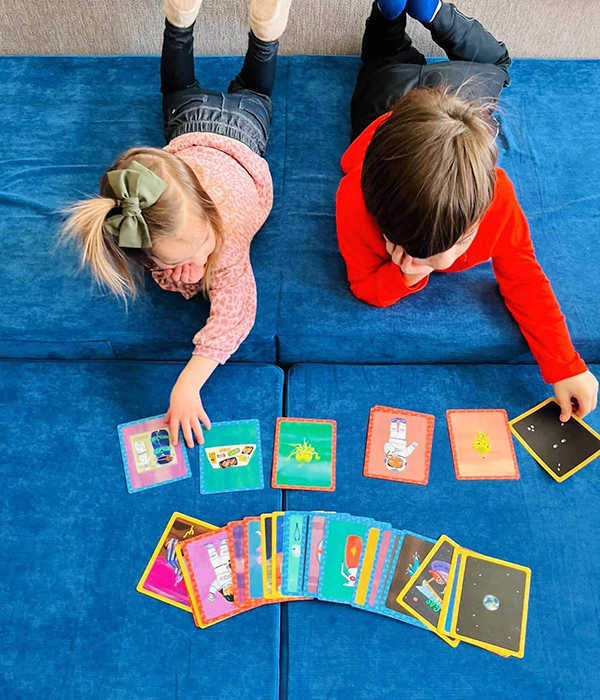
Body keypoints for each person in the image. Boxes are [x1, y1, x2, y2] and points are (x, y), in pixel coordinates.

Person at [336, 0, 598, 421]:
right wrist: (409, 273)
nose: (445, 262)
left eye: (458, 243)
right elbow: (364, 285)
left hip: (452, 98)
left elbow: (523, 276)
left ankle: (425, 12)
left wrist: (565, 364)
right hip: (386, 111)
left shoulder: (498, 196)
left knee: (495, 62)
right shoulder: (354, 197)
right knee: (386, 60)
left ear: (480, 212)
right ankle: (393, 15)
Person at [62, 0, 292, 447]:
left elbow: (236, 316)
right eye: (180, 260)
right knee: (178, 86)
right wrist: (178, 274)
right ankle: (182, 24)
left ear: (209, 207)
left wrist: (188, 383)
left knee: (258, 91)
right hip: (188, 127)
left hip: (245, 133)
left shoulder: (224, 242)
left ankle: (260, 33)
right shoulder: (162, 197)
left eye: (202, 247)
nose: (203, 257)